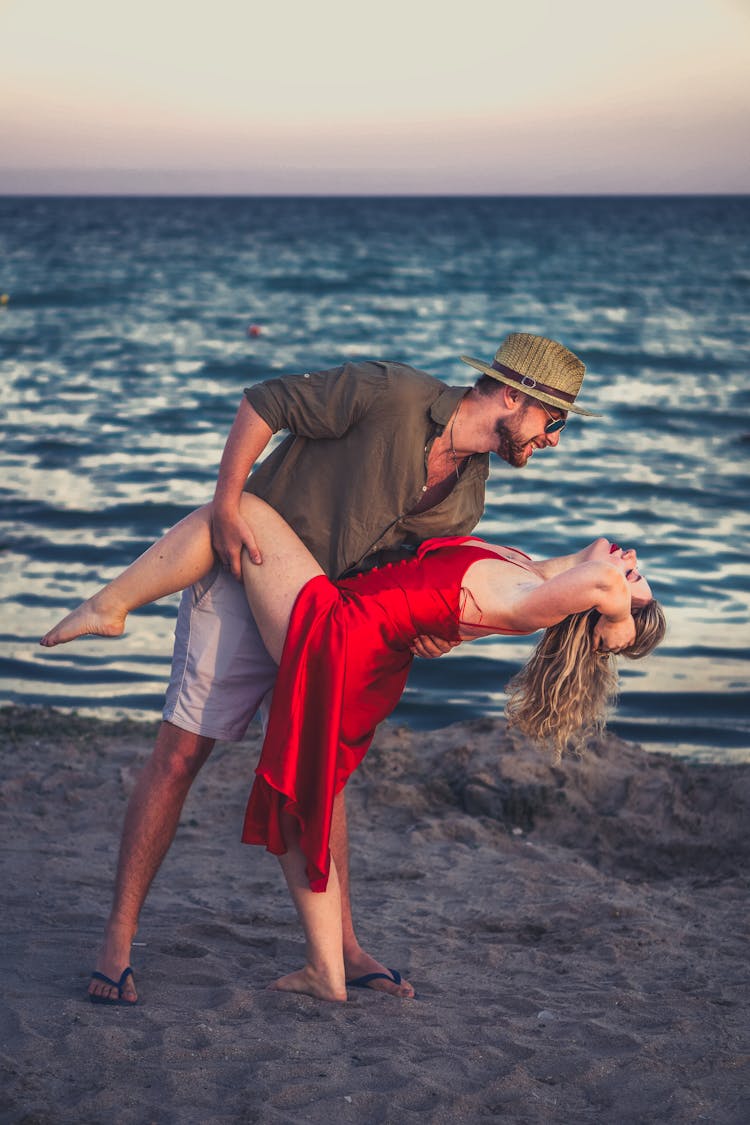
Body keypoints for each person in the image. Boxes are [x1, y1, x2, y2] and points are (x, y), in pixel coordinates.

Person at [42, 332, 600, 1005]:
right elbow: (265, 403)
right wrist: (225, 506)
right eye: (554, 419)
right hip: (241, 571)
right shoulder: (392, 393)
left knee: (323, 767)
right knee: (180, 755)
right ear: (512, 395)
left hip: (324, 616)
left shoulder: (466, 498)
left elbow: (407, 576)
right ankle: (118, 940)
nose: (554, 439)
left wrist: (432, 632)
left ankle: (343, 945)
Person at [44, 493, 665, 1002]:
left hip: (343, 638)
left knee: (233, 512)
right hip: (364, 651)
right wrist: (606, 583)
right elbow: (581, 577)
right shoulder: (541, 578)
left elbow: (600, 592)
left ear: (598, 608)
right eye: (631, 568)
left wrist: (620, 614)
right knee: (308, 794)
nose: (626, 561)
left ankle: (111, 604)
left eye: (630, 577)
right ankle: (327, 968)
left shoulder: (540, 605)